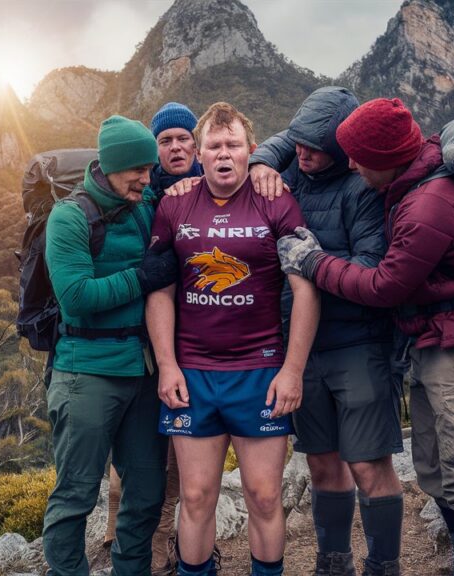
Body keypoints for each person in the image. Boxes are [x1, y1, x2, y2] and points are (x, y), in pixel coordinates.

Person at [277, 98, 454, 576]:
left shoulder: (430, 203)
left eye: (358, 157)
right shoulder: (406, 186)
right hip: (434, 341)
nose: (351, 165)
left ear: (385, 159)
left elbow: (384, 285)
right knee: (438, 475)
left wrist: (312, 262)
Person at [146, 102, 319, 576]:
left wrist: (292, 371)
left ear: (251, 151)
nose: (224, 154)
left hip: (260, 372)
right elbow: (159, 291)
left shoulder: (276, 200)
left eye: (233, 145)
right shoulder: (175, 203)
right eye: (214, 146)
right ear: (199, 154)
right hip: (194, 373)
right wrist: (167, 365)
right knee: (197, 495)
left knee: (263, 496)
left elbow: (306, 289)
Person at [249, 86, 406, 576]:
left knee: (367, 464)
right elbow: (282, 143)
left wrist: (314, 262)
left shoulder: (363, 190)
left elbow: (370, 268)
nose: (303, 153)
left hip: (357, 345)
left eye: (314, 147)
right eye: (298, 143)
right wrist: (261, 161)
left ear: (344, 149)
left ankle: (384, 565)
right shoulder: (291, 170)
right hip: (300, 349)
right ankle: (332, 562)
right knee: (322, 463)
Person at [42, 115, 180, 576]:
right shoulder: (68, 217)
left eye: (149, 167)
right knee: (76, 494)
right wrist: (140, 278)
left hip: (142, 374)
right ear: (112, 166)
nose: (148, 176)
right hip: (86, 374)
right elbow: (76, 297)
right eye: (138, 169)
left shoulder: (145, 204)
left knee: (145, 491)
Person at [105, 101, 203, 575]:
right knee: (143, 454)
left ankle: (167, 550)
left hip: (198, 340)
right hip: (148, 344)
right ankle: (118, 538)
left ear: (196, 142)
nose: (176, 146)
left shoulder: (216, 183)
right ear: (155, 150)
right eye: (166, 141)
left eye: (184, 137)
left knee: (179, 462)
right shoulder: (143, 196)